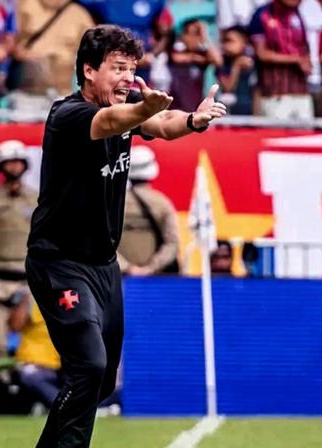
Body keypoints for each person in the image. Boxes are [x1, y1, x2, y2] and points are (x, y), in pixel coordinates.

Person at [26, 24, 227, 447]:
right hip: (59, 263)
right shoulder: (69, 115)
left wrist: (194, 119)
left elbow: (165, 123)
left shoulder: (127, 109)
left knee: (98, 383)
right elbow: (112, 121)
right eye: (118, 68)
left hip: (104, 267)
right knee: (88, 367)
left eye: (132, 69)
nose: (127, 78)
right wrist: (143, 109)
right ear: (88, 70)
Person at [0, 139, 38, 381]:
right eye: (9, 162)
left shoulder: (36, 199)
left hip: (29, 284)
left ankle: (31, 385)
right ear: (0, 166)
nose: (14, 167)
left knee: (35, 340)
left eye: (18, 162)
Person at [117, 146, 179, 276]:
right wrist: (151, 268)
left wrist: (127, 267)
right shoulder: (162, 203)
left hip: (118, 277)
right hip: (153, 280)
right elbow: (172, 243)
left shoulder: (114, 203)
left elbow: (101, 242)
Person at [249, 0, 315, 120]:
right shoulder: (262, 15)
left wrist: (307, 62)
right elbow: (261, 53)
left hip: (301, 93)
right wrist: (295, 60)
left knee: (304, 131)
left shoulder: (298, 14)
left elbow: (304, 48)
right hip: (275, 95)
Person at [10, 291, 61, 413]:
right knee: (29, 375)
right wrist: (25, 300)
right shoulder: (32, 296)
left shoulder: (70, 296)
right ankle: (66, 408)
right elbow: (15, 326)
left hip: (62, 364)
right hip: (34, 363)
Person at [168, 18, 223, 112]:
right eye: (191, 34)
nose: (194, 38)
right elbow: (175, 58)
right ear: (183, 35)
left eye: (197, 34)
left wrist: (205, 37)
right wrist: (193, 58)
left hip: (195, 108)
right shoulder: (176, 50)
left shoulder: (202, 54)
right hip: (174, 107)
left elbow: (218, 61)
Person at [218, 25, 255, 116]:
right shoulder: (223, 63)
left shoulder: (252, 60)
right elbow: (227, 88)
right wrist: (236, 67)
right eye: (224, 41)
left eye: (230, 41)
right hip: (230, 112)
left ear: (243, 42)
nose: (226, 45)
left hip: (249, 110)